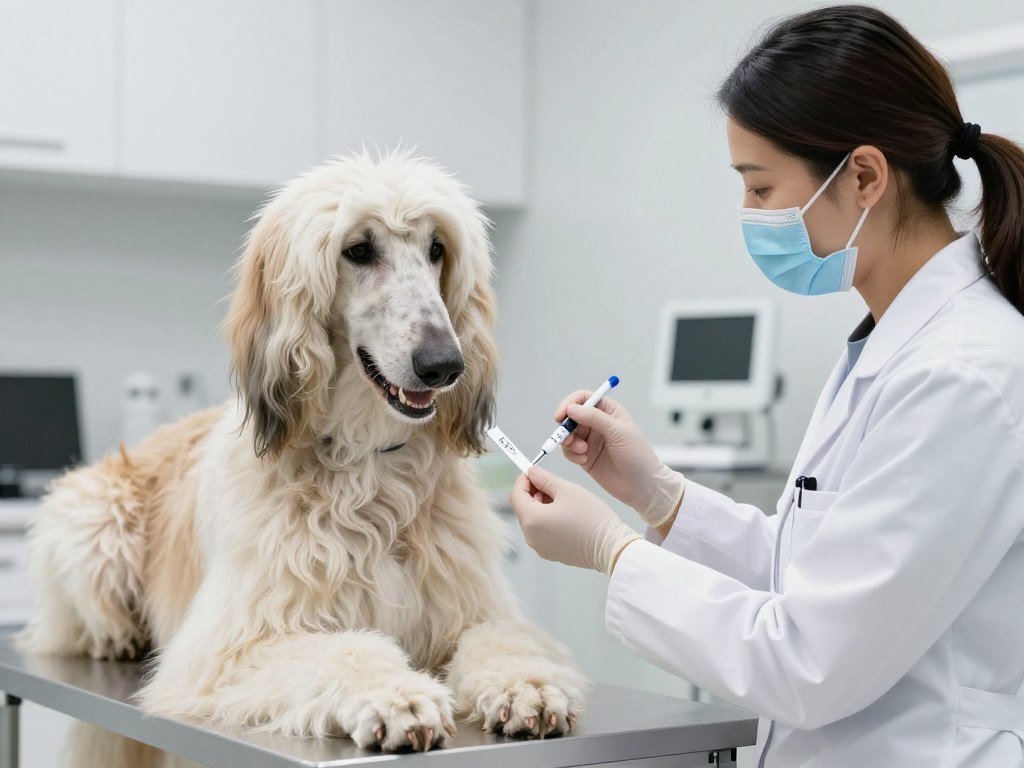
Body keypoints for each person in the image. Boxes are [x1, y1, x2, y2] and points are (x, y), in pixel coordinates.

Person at [508, 5, 1024, 766]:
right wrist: (660, 495)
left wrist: (611, 552)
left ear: (864, 177)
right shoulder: (891, 347)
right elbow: (810, 573)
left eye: (759, 187)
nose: (748, 214)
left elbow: (807, 662)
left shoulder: (962, 376)